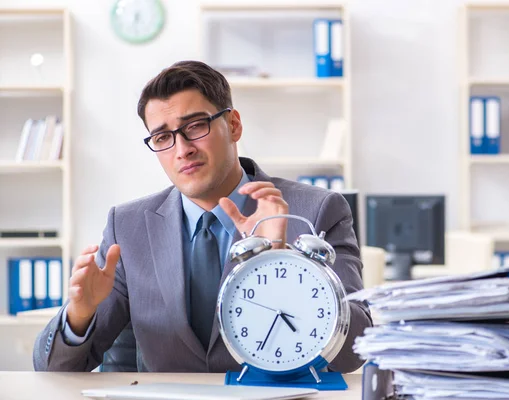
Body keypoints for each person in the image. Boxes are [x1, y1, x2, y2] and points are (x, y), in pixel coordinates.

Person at [33, 60, 372, 373]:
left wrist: (277, 260)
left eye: (195, 126)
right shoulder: (128, 226)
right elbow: (54, 370)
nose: (182, 149)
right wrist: (80, 314)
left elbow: (352, 352)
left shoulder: (317, 210)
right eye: (163, 137)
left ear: (234, 125)